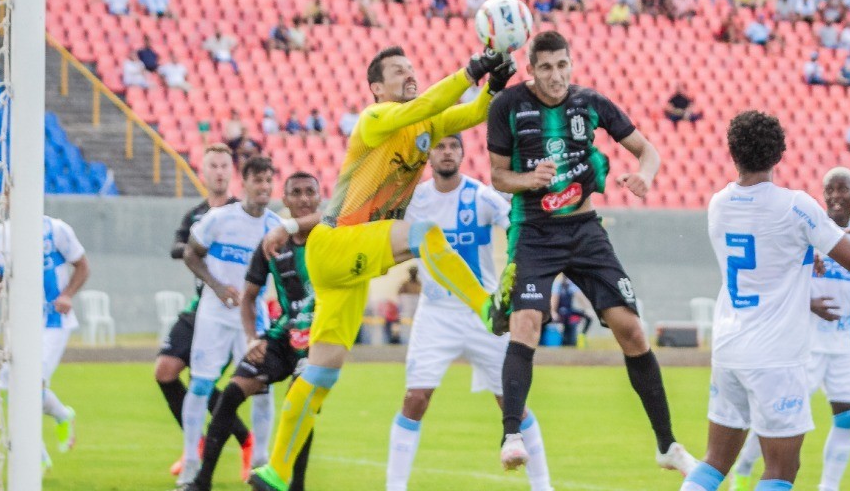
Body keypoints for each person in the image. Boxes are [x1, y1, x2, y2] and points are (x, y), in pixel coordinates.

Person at [248, 46, 517, 491]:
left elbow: (473, 115)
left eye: (411, 68)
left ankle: (274, 472)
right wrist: (470, 70)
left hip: (347, 264)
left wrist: (496, 85)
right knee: (423, 234)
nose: (408, 74)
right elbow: (432, 102)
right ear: (376, 88)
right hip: (334, 244)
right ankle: (486, 309)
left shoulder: (426, 125)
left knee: (320, 373)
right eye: (397, 71)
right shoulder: (373, 119)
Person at [483, 31, 697, 475]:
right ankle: (511, 434)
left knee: (632, 330)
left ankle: (667, 445)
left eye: (563, 65)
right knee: (526, 323)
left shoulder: (590, 103)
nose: (557, 76)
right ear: (531, 70)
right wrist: (530, 180)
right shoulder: (506, 106)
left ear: (571, 62)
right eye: (546, 67)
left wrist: (645, 175)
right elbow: (499, 177)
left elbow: (647, 150)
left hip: (584, 229)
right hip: (534, 232)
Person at [681, 111, 850, 491]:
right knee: (781, 470)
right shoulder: (796, 205)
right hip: (775, 356)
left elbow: (767, 251)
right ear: (780, 153)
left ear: (732, 152)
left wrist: (806, 257)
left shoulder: (719, 204)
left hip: (728, 347)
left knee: (714, 462)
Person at [388, 134, 554, 491]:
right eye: (440, 147)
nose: (447, 152)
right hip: (435, 314)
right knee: (415, 399)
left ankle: (543, 486)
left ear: (462, 153)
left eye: (453, 147)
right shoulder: (415, 201)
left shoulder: (480, 196)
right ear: (429, 154)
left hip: (484, 314)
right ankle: (395, 486)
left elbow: (517, 227)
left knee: (511, 403)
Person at [728, 167, 850, 491]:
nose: (835, 195)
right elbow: (777, 279)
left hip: (846, 345)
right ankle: (744, 467)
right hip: (805, 345)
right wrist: (809, 303)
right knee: (779, 418)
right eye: (829, 189)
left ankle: (828, 487)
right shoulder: (809, 231)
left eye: (842, 189)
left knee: (847, 418)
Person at [181, 172, 322, 491]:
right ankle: (201, 481)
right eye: (295, 193)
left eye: (309, 192)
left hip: (320, 338)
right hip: (285, 333)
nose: (303, 198)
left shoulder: (330, 235)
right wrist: (252, 338)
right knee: (231, 392)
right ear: (284, 200)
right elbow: (249, 297)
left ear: (318, 197)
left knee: (299, 404)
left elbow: (337, 217)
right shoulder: (271, 244)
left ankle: (295, 486)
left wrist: (287, 227)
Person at [177, 157, 284, 486]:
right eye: (258, 180)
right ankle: (191, 465)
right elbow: (190, 254)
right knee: (200, 385)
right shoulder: (219, 218)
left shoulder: (276, 226)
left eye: (269, 180)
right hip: (213, 314)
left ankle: (261, 464)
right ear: (245, 182)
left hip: (254, 319)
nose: (264, 187)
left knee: (262, 389)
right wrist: (218, 286)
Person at [157, 144, 252, 478]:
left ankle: (246, 443)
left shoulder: (243, 213)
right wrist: (200, 246)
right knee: (166, 370)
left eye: (225, 165)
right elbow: (177, 247)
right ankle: (197, 443)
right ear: (204, 169)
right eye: (213, 165)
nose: (220, 172)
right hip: (202, 305)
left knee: (204, 379)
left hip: (233, 310)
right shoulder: (197, 214)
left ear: (233, 171)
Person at [0, 193, 91, 470]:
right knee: (11, 384)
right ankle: (62, 415)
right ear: (5, 200)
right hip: (17, 324)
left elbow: (82, 265)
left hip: (53, 322)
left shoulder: (56, 230)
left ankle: (35, 454)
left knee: (31, 385)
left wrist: (67, 294)